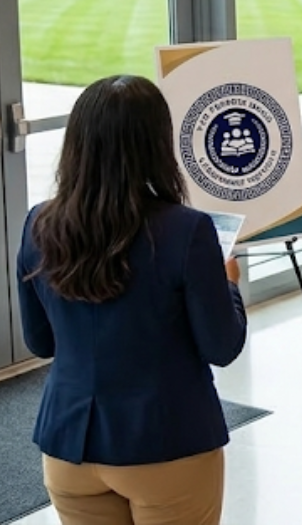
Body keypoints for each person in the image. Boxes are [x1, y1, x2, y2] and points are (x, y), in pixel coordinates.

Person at [16, 75, 248, 525]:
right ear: (157, 143)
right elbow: (222, 346)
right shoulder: (188, 230)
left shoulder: (37, 224)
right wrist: (230, 284)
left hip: (69, 447)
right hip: (167, 443)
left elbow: (40, 342)